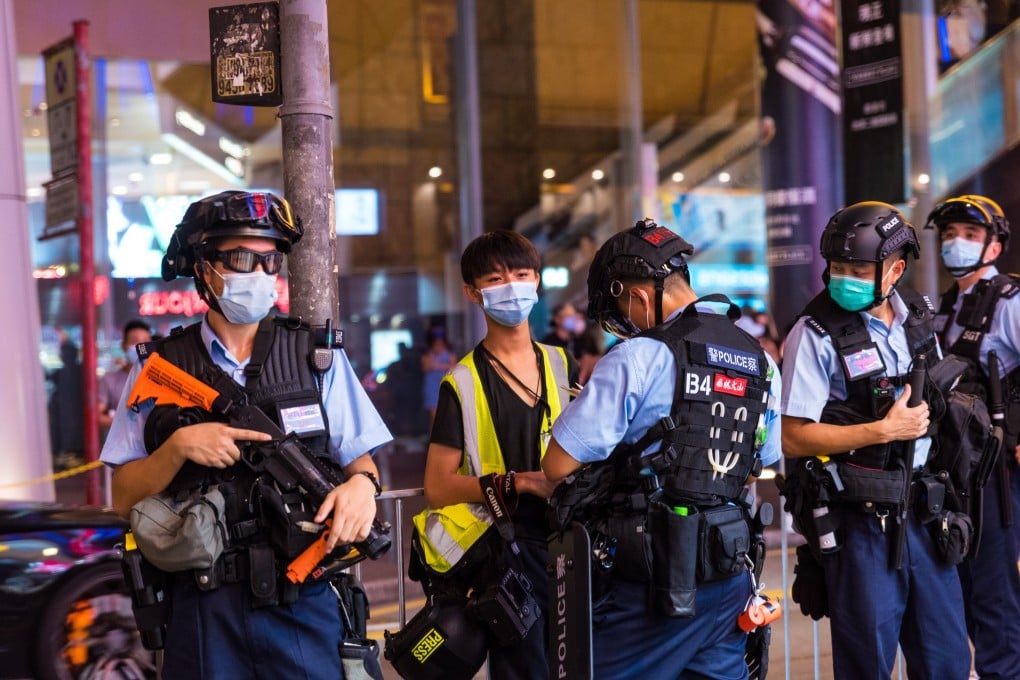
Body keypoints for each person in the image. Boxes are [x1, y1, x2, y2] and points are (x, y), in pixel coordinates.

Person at [101, 190, 392, 680]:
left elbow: (360, 462)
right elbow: (122, 498)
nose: (257, 274)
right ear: (202, 268)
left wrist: (363, 487)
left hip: (302, 597)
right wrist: (176, 449)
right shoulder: (158, 366)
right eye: (239, 258)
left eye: (268, 260)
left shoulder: (315, 356)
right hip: (203, 605)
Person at [542, 219, 783, 679]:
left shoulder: (638, 357)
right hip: (730, 570)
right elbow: (757, 463)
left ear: (634, 294)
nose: (624, 322)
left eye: (619, 307)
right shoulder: (759, 358)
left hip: (651, 581)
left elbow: (557, 464)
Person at [779, 201, 970, 678]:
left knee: (947, 660)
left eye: (858, 269)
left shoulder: (919, 320)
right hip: (860, 524)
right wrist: (883, 430)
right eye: (837, 268)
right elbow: (792, 438)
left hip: (927, 513)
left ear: (896, 269)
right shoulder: (814, 333)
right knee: (867, 663)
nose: (844, 278)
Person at [411, 230, 578, 678]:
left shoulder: (562, 364)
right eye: (495, 278)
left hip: (573, 547)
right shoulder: (462, 383)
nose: (511, 286)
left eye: (521, 274)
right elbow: (437, 485)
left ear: (537, 281)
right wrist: (519, 482)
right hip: (511, 557)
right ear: (472, 292)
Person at [926, 194, 1020, 679]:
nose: (955, 243)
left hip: (994, 473)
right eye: (948, 235)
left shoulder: (1009, 300)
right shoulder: (946, 304)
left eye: (969, 235)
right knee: (960, 584)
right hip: (953, 467)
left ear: (995, 245)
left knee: (993, 592)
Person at [98, 319, 153, 434]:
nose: (140, 347)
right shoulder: (109, 380)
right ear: (123, 345)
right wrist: (129, 422)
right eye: (134, 342)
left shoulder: (160, 378)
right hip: (123, 447)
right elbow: (97, 416)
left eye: (146, 342)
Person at [421, 326, 456, 426]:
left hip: (445, 384)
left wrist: (435, 365)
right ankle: (434, 440)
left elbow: (453, 367)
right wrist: (434, 357)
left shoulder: (449, 351)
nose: (438, 340)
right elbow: (426, 368)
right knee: (434, 415)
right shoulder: (427, 352)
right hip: (432, 385)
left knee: (447, 414)